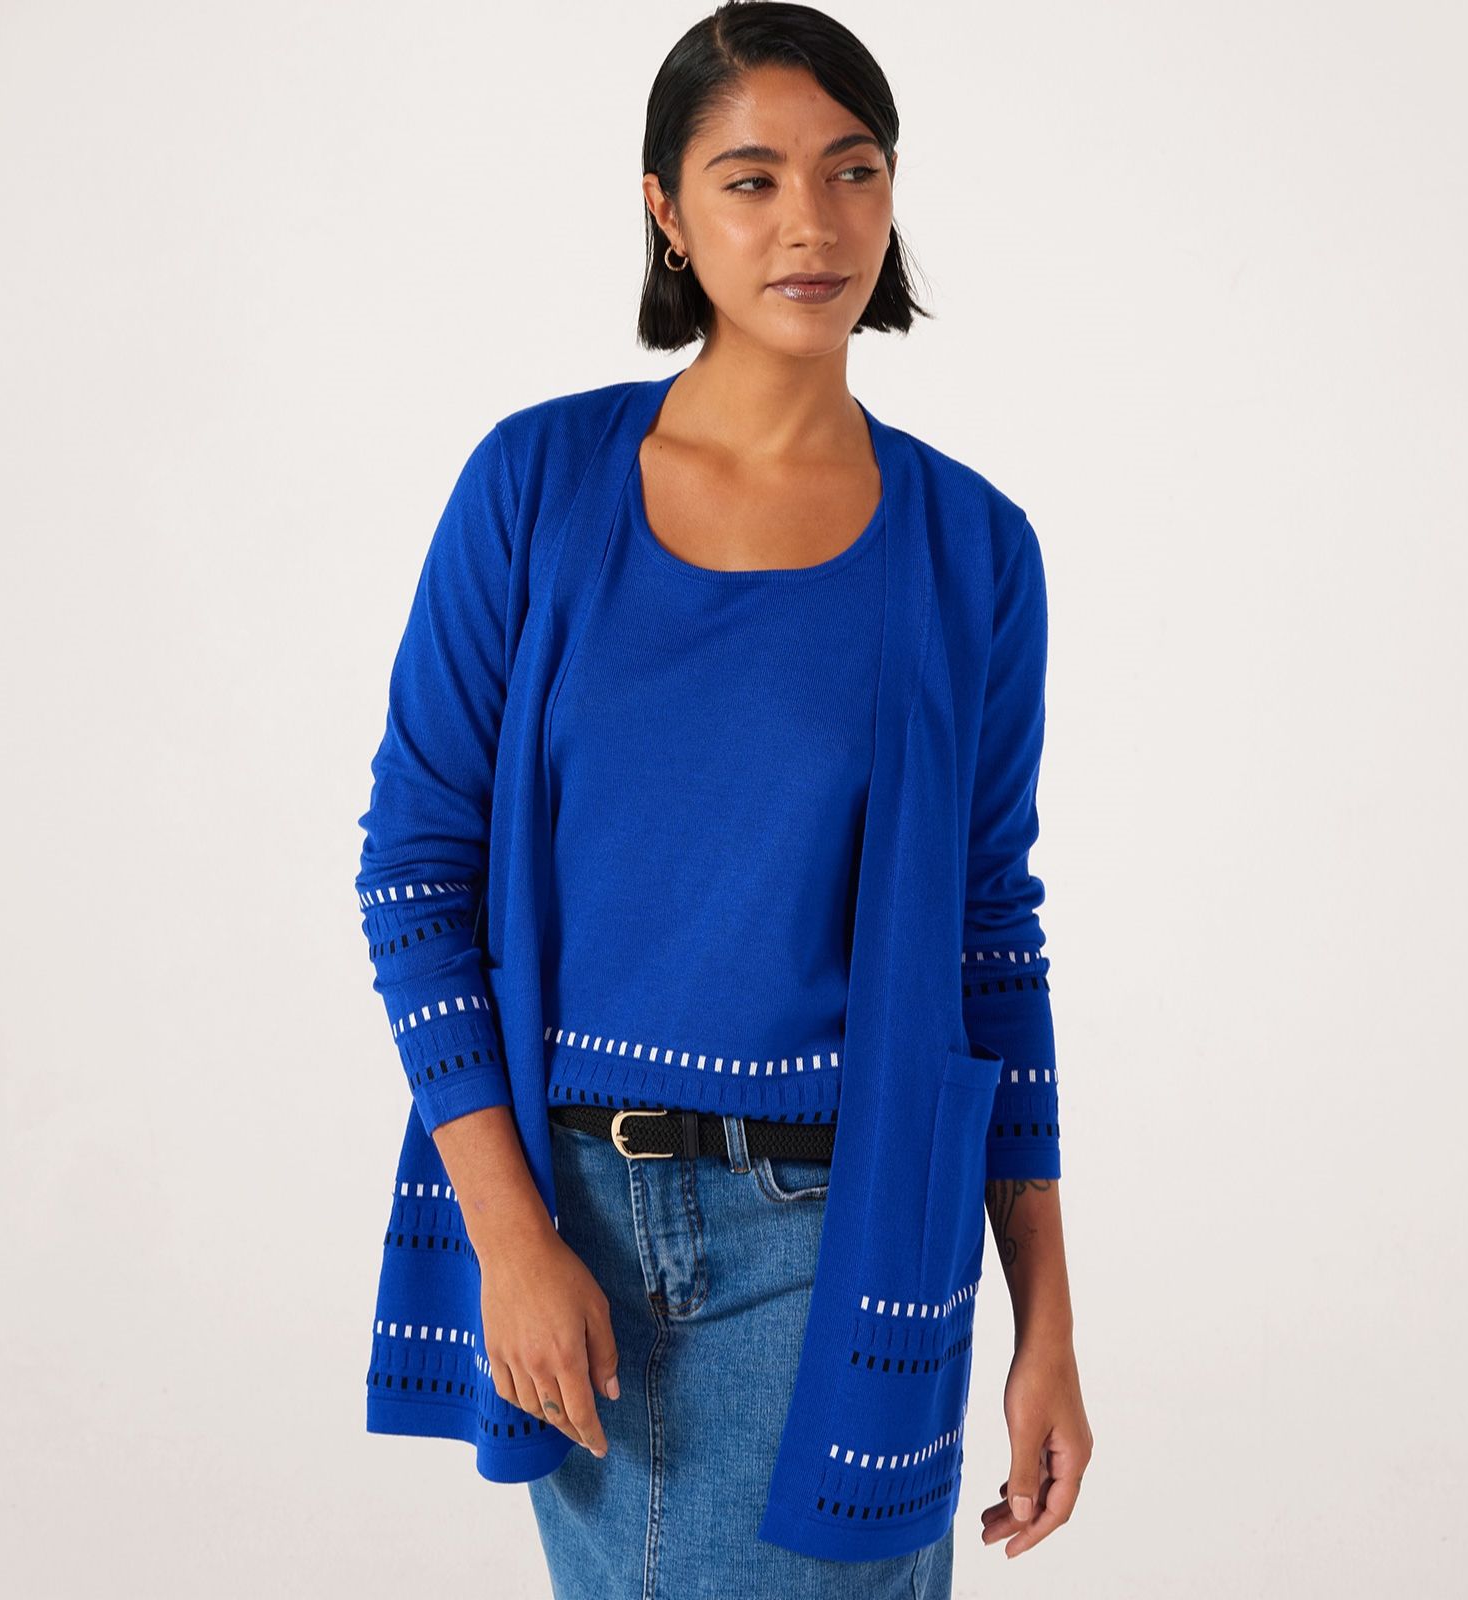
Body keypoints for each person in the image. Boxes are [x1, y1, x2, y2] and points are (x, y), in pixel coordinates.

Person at [353, 4, 1093, 1595]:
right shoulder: (537, 487)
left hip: (850, 1231)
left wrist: (1049, 1324)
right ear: (668, 212)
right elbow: (414, 870)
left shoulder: (972, 550)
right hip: (571, 1209)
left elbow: (989, 944)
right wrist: (507, 1236)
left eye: (852, 169)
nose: (811, 222)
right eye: (751, 179)